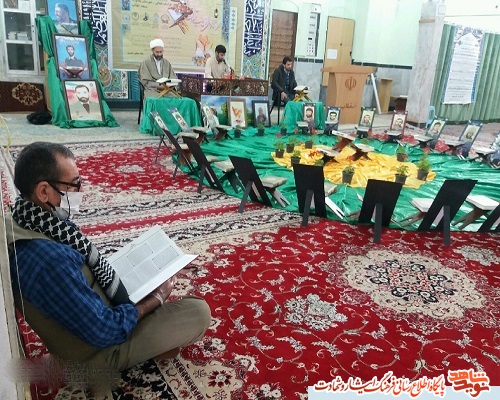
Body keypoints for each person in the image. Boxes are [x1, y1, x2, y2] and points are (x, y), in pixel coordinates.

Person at [6, 142, 211, 381]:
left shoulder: (28, 219)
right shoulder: (50, 260)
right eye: (74, 184)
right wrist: (156, 299)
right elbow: (105, 331)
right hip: (94, 354)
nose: (80, 190)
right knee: (198, 312)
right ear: (44, 191)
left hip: (87, 316)